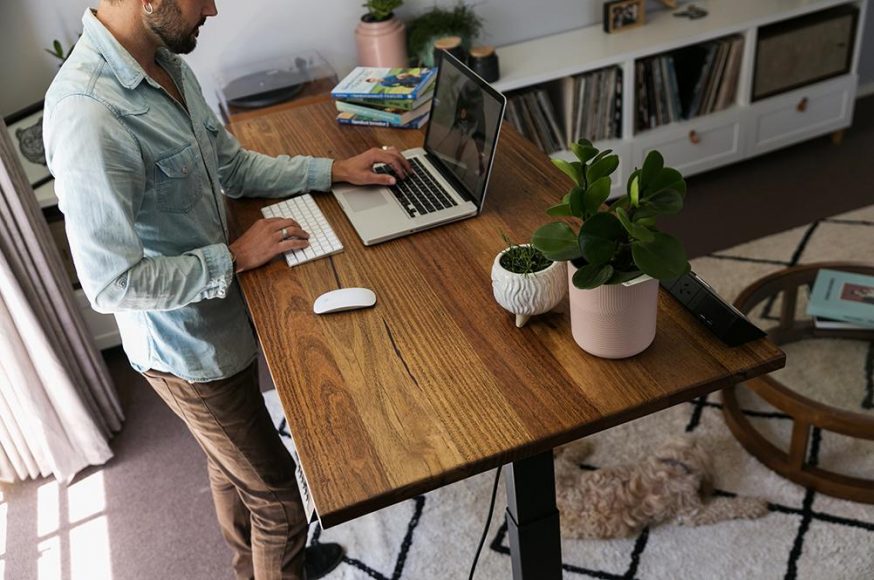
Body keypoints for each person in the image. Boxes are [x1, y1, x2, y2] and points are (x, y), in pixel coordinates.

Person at [43, 1, 411, 579]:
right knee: (279, 505)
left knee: (229, 465)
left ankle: (248, 567)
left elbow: (232, 169)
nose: (213, 8)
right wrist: (235, 258)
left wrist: (334, 172)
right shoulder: (89, 114)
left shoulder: (166, 62)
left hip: (224, 323)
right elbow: (111, 284)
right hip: (188, 350)